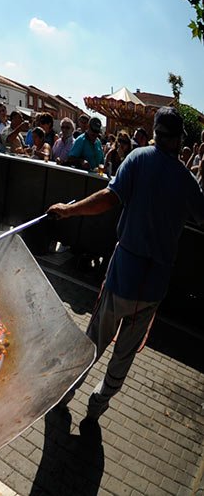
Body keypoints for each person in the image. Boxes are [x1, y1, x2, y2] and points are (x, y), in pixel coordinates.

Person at [48, 107, 204, 422]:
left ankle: (67, 393)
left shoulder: (138, 159)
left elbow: (109, 197)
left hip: (123, 276)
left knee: (94, 338)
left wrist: (69, 210)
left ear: (156, 132)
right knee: (124, 354)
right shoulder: (187, 182)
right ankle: (98, 405)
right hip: (153, 287)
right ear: (179, 140)